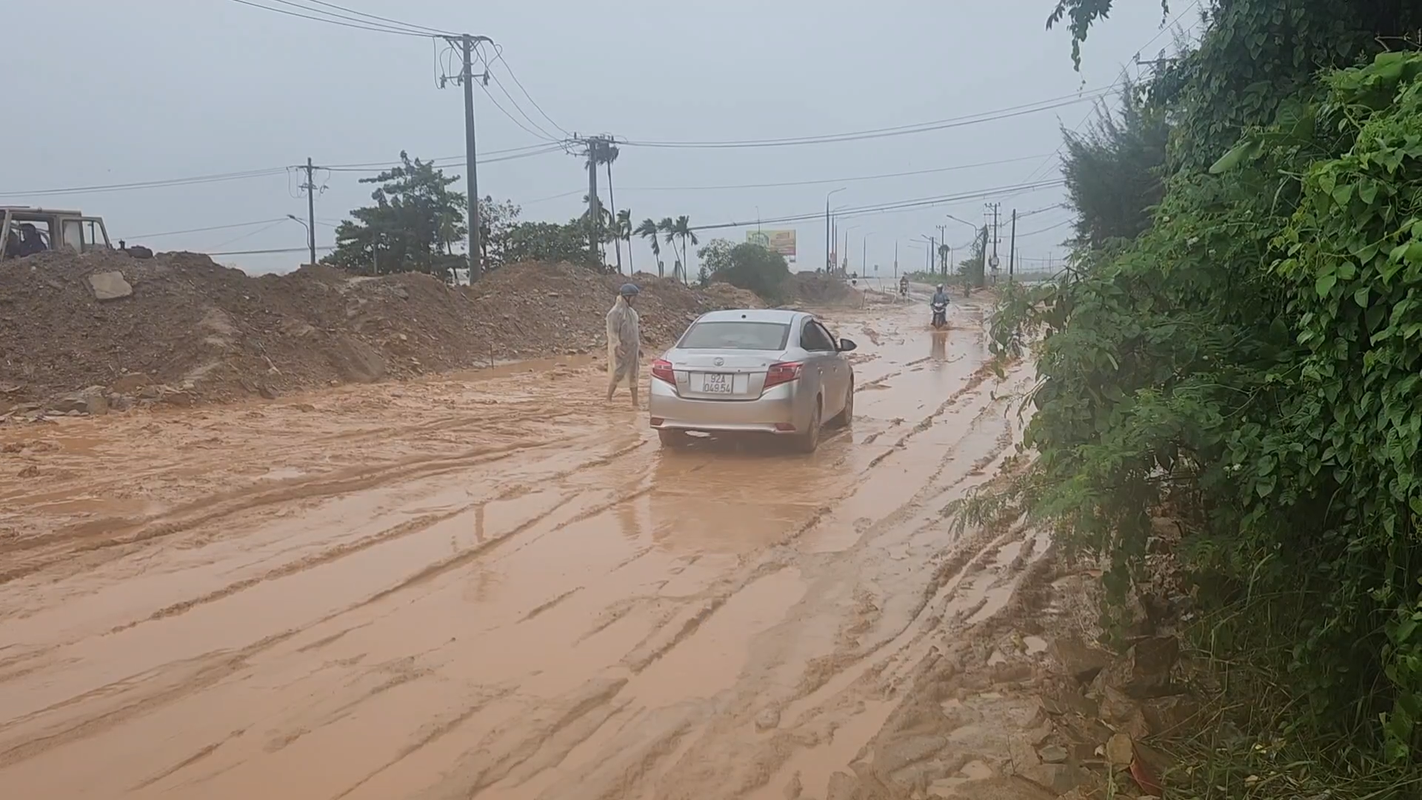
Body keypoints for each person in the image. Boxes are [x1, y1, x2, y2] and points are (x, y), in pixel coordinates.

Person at [606, 283, 642, 407]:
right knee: (618, 373)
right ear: (627, 297)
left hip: (633, 349)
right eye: (634, 297)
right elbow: (612, 332)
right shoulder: (615, 313)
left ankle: (635, 403)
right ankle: (608, 399)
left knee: (634, 374)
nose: (635, 300)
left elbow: (634, 331)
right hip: (622, 349)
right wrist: (616, 346)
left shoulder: (632, 313)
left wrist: (639, 347)